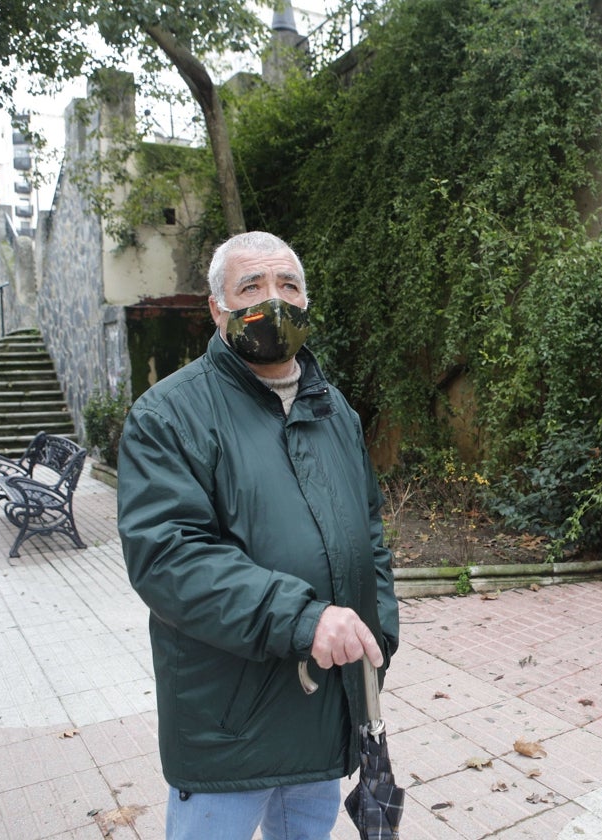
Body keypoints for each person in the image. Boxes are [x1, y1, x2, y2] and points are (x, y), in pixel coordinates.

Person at [117, 231, 400, 839]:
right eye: (251, 286)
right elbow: (169, 559)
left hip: (323, 704)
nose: (273, 300)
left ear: (305, 300)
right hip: (230, 726)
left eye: (288, 285)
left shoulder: (335, 411)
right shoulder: (169, 416)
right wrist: (304, 620)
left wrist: (380, 632)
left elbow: (368, 533)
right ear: (217, 308)